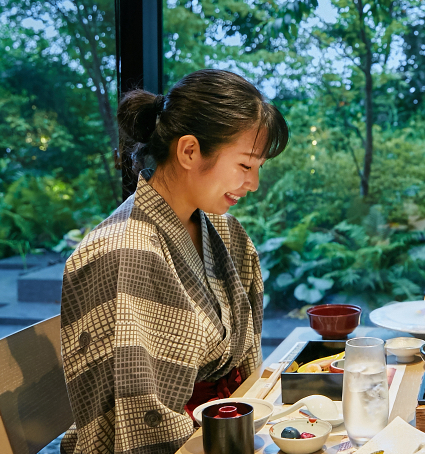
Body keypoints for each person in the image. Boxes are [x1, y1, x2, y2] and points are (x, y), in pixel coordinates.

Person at [59, 69, 288, 454]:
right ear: (189, 151)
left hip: (229, 430)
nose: (254, 184)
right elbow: (138, 422)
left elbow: (247, 364)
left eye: (258, 169)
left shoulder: (227, 232)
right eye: (245, 166)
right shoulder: (121, 252)